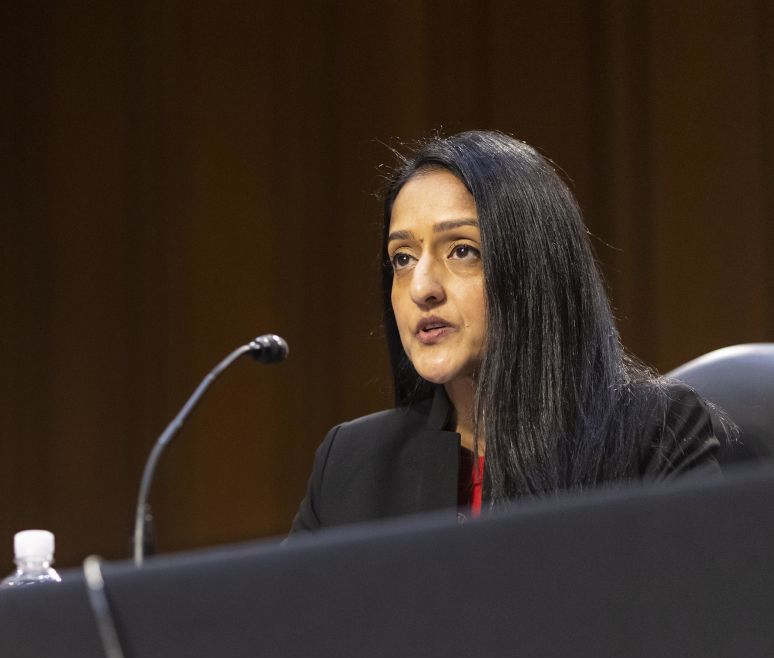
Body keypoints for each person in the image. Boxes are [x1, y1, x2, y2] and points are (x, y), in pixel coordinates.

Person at [290, 130, 720, 533]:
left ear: (535, 270)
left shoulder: (654, 435)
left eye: (462, 251)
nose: (421, 288)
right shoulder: (351, 464)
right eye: (402, 258)